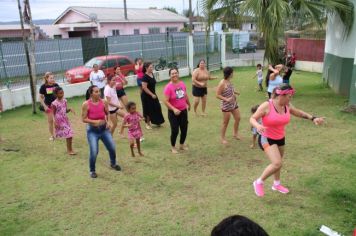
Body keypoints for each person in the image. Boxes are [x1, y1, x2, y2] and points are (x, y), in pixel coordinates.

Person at [250, 84, 325, 197]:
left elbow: (298, 112)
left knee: (278, 164)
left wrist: (313, 118)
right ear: (281, 95)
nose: (290, 98)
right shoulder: (267, 105)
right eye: (289, 96)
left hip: (280, 138)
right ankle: (258, 182)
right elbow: (252, 118)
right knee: (277, 163)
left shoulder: (287, 105)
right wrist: (257, 126)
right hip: (267, 137)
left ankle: (276, 184)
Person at [81, 85, 121, 178]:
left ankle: (113, 164)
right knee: (94, 151)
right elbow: (83, 119)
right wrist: (95, 122)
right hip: (92, 131)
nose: (99, 93)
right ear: (91, 93)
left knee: (112, 147)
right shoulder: (86, 104)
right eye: (96, 92)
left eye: (99, 91)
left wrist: (108, 122)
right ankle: (92, 170)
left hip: (104, 129)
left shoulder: (104, 102)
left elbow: (107, 113)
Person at [163, 68, 191, 154]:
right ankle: (173, 147)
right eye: (172, 74)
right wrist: (174, 109)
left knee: (184, 129)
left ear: (178, 74)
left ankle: (181, 145)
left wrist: (189, 104)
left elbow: (185, 95)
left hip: (183, 111)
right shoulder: (168, 87)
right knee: (175, 130)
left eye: (176, 73)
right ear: (170, 75)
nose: (174, 75)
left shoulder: (182, 84)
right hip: (173, 113)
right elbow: (165, 101)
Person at [216, 67, 241, 144]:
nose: (233, 74)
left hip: (233, 103)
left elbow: (230, 90)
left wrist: (235, 92)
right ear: (230, 73)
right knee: (225, 122)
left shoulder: (229, 81)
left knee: (238, 118)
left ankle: (235, 134)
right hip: (226, 105)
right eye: (232, 72)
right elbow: (217, 95)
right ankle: (222, 138)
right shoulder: (222, 83)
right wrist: (226, 99)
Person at [51, 87, 76, 155]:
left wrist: (70, 109)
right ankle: (69, 150)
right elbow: (53, 114)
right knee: (69, 134)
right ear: (56, 94)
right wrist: (54, 122)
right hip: (59, 121)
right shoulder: (54, 103)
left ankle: (70, 150)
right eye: (60, 93)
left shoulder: (65, 101)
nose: (62, 94)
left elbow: (65, 110)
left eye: (63, 93)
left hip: (65, 120)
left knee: (69, 135)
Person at [141, 62, 165, 129]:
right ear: (146, 68)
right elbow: (144, 88)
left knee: (157, 107)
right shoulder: (144, 77)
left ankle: (157, 122)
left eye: (152, 67)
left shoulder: (151, 74)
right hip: (146, 96)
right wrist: (151, 94)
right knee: (148, 110)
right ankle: (147, 124)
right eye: (150, 67)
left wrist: (153, 94)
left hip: (153, 94)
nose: (152, 68)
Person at [39, 72, 59, 141]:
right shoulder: (43, 87)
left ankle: (58, 133)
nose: (52, 79)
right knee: (50, 121)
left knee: (57, 120)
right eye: (51, 78)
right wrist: (45, 106)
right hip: (48, 106)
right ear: (46, 78)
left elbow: (59, 95)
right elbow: (41, 98)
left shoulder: (56, 85)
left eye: (53, 78)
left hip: (56, 106)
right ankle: (52, 136)